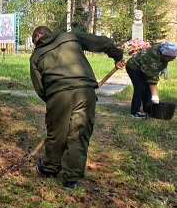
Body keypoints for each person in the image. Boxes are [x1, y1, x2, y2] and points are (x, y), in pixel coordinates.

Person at [29, 26, 125, 189]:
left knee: (56, 133)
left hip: (57, 93)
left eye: (33, 41)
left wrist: (52, 101)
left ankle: (50, 169)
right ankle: (71, 180)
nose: (34, 45)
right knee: (79, 132)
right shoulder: (70, 37)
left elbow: (39, 87)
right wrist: (118, 56)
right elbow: (103, 42)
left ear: (38, 35)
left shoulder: (36, 55)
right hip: (84, 90)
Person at [125, 42, 177, 118]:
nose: (172, 60)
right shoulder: (153, 60)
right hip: (134, 67)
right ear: (164, 55)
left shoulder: (162, 49)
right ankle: (135, 112)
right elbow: (152, 79)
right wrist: (155, 95)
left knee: (147, 89)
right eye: (171, 58)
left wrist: (164, 67)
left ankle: (148, 109)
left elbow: (163, 61)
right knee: (140, 88)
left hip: (144, 67)